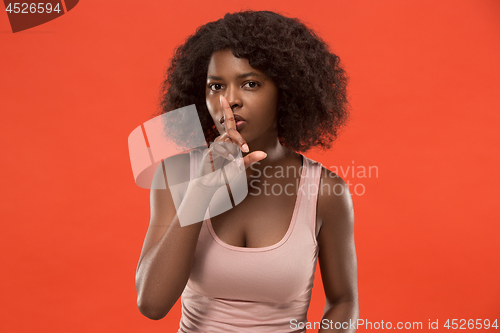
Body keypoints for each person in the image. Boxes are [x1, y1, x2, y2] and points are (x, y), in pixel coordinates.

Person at [135, 10, 358, 332]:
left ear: (286, 90)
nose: (230, 100)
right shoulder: (176, 173)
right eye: (216, 86)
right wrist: (200, 192)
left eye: (250, 84)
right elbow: (152, 304)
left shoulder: (325, 190)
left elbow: (344, 301)